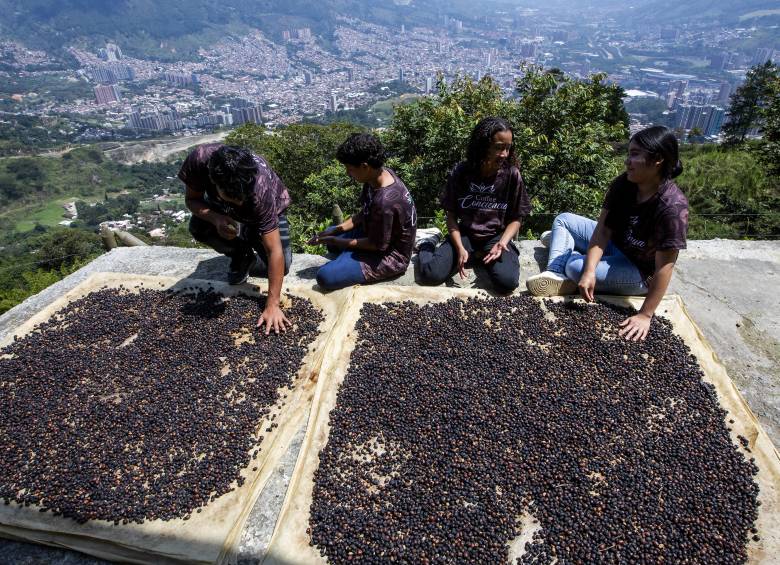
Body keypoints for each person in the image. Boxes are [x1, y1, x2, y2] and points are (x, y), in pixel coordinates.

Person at [526, 125, 689, 341]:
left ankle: (566, 255)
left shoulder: (672, 207)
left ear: (657, 159)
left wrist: (645, 315)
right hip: (616, 244)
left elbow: (664, 268)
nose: (627, 161)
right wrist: (591, 270)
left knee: (575, 267)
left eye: (634, 155)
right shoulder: (624, 184)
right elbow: (602, 229)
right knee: (564, 219)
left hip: (638, 271)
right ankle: (555, 272)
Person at [178, 143, 292, 334]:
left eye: (241, 198)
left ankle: (250, 234)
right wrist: (216, 218)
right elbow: (192, 200)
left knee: (284, 266)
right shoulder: (198, 161)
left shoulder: (260, 190)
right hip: (221, 209)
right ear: (215, 182)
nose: (238, 203)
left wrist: (272, 304)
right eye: (232, 197)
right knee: (198, 227)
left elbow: (275, 250)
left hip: (266, 208)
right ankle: (242, 255)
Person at [416, 116, 530, 294]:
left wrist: (502, 243)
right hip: (465, 235)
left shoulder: (512, 175)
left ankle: (480, 255)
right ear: (484, 146)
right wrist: (460, 248)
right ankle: (426, 244)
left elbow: (517, 217)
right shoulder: (462, 172)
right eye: (499, 148)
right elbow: (451, 216)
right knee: (431, 275)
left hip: (496, 236)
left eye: (508, 148)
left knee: (507, 283)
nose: (504, 154)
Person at [311, 133, 417, 290]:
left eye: (350, 169)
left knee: (325, 277)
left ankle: (347, 257)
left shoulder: (385, 202)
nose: (348, 174)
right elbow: (363, 213)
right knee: (329, 233)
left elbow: (377, 245)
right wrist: (336, 230)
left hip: (388, 254)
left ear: (365, 167)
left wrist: (337, 241)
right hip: (373, 232)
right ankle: (346, 256)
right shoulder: (376, 176)